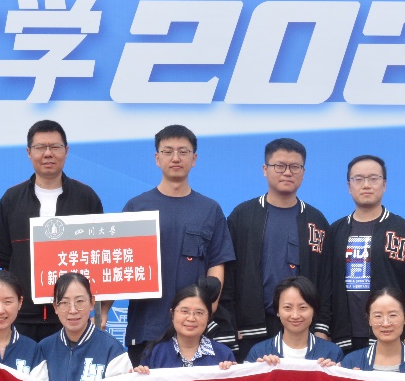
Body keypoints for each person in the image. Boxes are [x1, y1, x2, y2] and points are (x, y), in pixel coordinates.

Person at [122, 125, 236, 363]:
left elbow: (217, 264)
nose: (176, 158)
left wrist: (208, 308)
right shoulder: (137, 207)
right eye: (168, 151)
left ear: (194, 159)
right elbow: (119, 263)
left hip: (194, 331)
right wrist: (102, 310)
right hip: (146, 328)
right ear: (157, 158)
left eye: (183, 152)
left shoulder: (210, 209)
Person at [0, 120, 105, 341]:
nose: (48, 153)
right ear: (29, 152)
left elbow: (99, 257)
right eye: (40, 147)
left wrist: (98, 310)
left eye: (55, 147)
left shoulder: (86, 198)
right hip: (23, 317)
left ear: (66, 151)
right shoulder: (12, 199)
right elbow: (5, 258)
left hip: (72, 317)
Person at [224, 139, 332, 358]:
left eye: (295, 167)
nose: (287, 172)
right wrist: (229, 325)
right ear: (265, 169)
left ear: (303, 172)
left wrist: (322, 326)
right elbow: (227, 273)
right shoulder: (243, 216)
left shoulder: (316, 220)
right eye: (279, 166)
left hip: (303, 330)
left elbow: (326, 278)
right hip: (251, 330)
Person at [327, 155, 405, 354]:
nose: (366, 185)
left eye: (373, 178)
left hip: (391, 335)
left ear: (384, 184)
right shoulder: (335, 232)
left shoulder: (403, 231)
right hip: (343, 336)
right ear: (349, 186)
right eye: (358, 179)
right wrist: (323, 328)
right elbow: (324, 285)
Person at [37, 272, 132, 381]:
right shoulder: (43, 349)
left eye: (80, 301)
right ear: (55, 307)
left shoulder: (112, 349)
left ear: (92, 302)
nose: (73, 310)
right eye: (64, 303)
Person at [135, 277, 237, 371]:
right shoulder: (154, 353)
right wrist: (137, 376)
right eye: (184, 311)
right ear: (172, 314)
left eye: (199, 313)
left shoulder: (223, 354)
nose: (191, 318)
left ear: (208, 318)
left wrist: (232, 373)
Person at [245, 276, 343, 366]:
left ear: (314, 310)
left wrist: (332, 373)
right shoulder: (259, 352)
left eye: (303, 307)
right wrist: (259, 370)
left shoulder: (332, 353)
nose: (295, 315)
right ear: (277, 311)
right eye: (287, 307)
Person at [339, 288, 405, 374]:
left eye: (393, 315)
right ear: (369, 320)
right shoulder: (351, 362)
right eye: (378, 316)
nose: (386, 324)